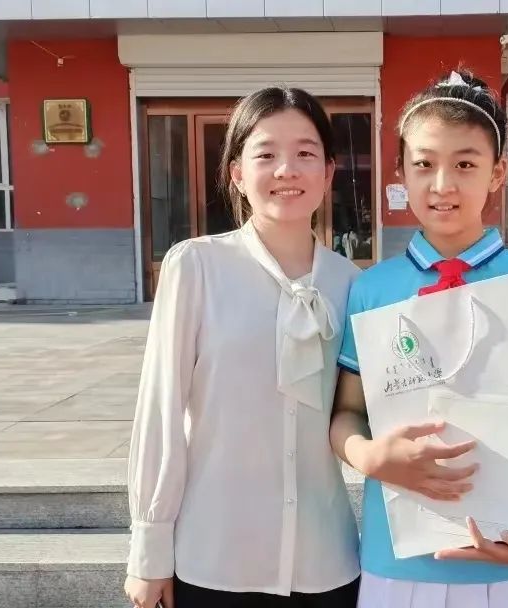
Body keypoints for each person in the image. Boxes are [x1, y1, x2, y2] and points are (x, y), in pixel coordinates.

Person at [329, 70, 508, 607]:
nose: (443, 184)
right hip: (402, 561)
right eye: (424, 164)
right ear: (400, 171)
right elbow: (347, 412)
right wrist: (367, 455)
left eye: (465, 164)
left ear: (498, 173)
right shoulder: (371, 289)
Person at [124, 86, 361, 608]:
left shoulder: (351, 284)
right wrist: (149, 549)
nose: (286, 170)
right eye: (266, 154)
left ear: (328, 171)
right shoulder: (196, 267)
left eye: (305, 153)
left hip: (325, 560)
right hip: (215, 559)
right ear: (236, 172)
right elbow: (160, 412)